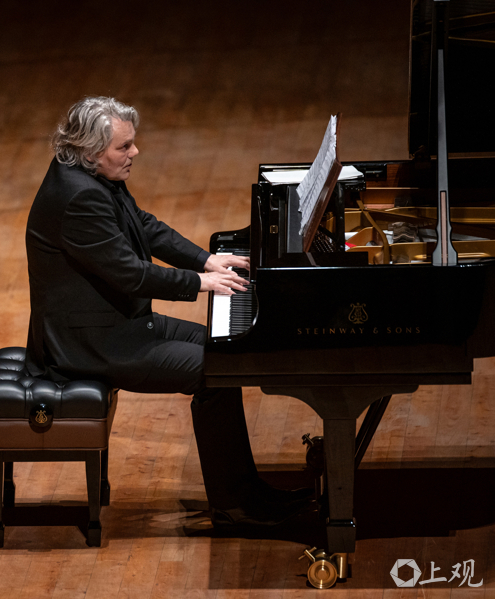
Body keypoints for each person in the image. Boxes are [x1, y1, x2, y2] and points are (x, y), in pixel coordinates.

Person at [24, 96, 312, 527]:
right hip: (92, 344)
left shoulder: (90, 173)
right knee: (213, 372)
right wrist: (200, 283)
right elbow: (131, 275)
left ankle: (245, 493)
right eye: (124, 146)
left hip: (121, 324)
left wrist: (205, 260)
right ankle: (237, 507)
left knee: (224, 350)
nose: (135, 152)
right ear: (91, 151)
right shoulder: (78, 198)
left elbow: (144, 225)